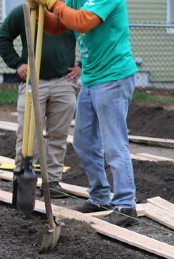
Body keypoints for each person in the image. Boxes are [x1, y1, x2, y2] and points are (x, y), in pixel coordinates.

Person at [28, 0, 139, 227]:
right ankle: (99, 197)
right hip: (90, 79)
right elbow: (57, 26)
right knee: (84, 142)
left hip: (114, 77)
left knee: (114, 144)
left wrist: (52, 2)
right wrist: (38, 10)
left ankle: (126, 205)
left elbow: (81, 22)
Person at [0, 5, 80, 198]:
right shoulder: (26, 10)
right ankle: (23, 179)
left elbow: (91, 38)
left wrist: (81, 65)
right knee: (28, 134)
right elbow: (2, 38)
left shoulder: (69, 9)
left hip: (64, 82)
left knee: (58, 134)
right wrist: (17, 63)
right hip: (34, 81)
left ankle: (53, 182)